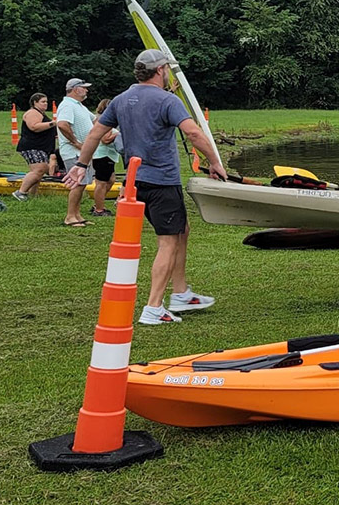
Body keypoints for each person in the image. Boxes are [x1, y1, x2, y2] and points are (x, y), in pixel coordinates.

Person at [63, 49, 227, 325]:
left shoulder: (121, 100)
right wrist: (215, 162)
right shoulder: (167, 100)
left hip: (135, 181)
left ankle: (181, 292)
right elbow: (194, 132)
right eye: (168, 70)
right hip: (162, 181)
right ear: (161, 70)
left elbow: (95, 133)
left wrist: (81, 164)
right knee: (168, 240)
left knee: (181, 229)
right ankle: (154, 307)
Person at [56, 78, 96, 227]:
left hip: (81, 152)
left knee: (83, 183)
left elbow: (96, 120)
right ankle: (70, 216)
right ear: (75, 89)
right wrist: (76, 142)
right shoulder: (67, 105)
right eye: (84, 88)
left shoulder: (79, 106)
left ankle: (77, 215)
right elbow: (62, 124)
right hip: (73, 152)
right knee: (77, 184)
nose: (86, 90)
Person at [13, 93, 58, 200]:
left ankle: (33, 196)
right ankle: (20, 192)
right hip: (32, 146)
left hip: (41, 147)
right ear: (35, 102)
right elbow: (34, 127)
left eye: (46, 102)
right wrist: (53, 123)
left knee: (39, 172)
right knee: (39, 170)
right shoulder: (32, 112)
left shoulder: (42, 114)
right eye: (43, 102)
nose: (45, 104)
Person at [89, 98, 121, 218]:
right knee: (101, 183)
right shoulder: (104, 122)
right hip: (103, 156)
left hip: (108, 157)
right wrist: (118, 133)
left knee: (111, 180)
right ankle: (99, 209)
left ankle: (98, 203)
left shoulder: (103, 121)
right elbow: (105, 139)